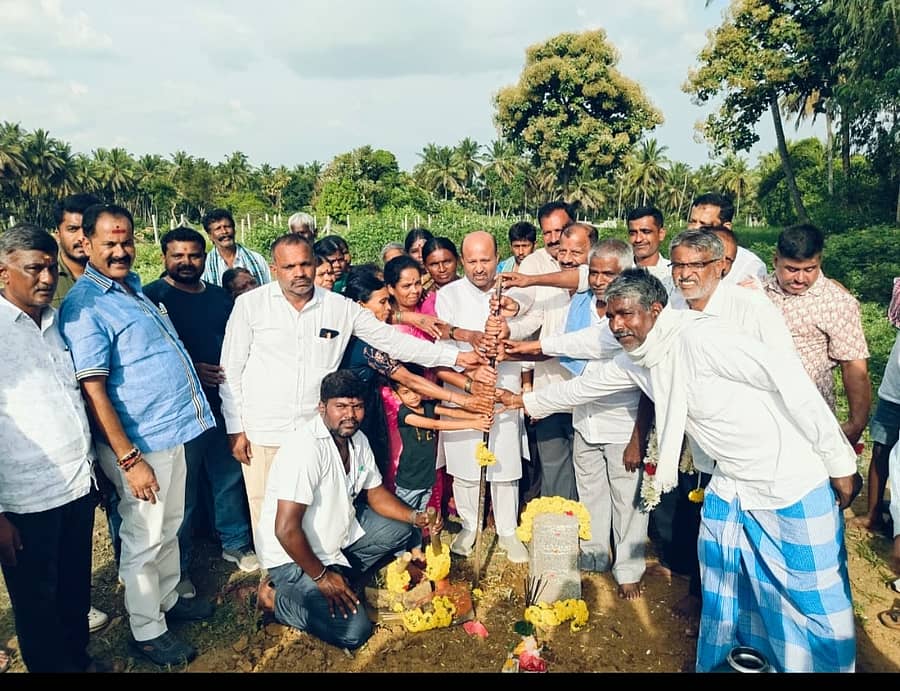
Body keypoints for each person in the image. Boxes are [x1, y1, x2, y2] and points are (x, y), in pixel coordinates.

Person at [501, 269, 861, 673]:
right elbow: (585, 387)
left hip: (786, 475)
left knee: (807, 594)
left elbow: (788, 378)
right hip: (732, 483)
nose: (617, 325)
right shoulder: (639, 359)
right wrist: (524, 403)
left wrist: (839, 460)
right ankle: (740, 665)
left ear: (656, 310)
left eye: (626, 315)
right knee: (731, 588)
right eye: (611, 317)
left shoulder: (702, 338)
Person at [219, 234, 483, 540]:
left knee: (319, 508)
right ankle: (276, 580)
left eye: (305, 264)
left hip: (317, 428)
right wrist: (235, 427)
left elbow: (394, 341)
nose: (299, 272)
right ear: (274, 268)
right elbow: (231, 369)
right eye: (289, 266)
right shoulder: (251, 305)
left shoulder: (339, 307)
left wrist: (457, 356)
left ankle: (320, 568)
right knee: (267, 509)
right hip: (264, 427)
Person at [59, 204, 216, 666]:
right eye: (109, 243)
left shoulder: (130, 289)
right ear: (86, 244)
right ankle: (147, 630)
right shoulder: (85, 306)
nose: (120, 250)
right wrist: (129, 459)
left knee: (169, 527)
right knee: (144, 537)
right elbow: (94, 388)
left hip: (171, 431)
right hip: (140, 442)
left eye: (126, 241)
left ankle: (168, 600)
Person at [502, 238, 648, 599]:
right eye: (594, 273)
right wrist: (522, 348)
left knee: (628, 500)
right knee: (591, 494)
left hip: (621, 426)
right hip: (585, 422)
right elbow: (574, 343)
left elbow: (586, 387)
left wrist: (523, 399)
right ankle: (596, 554)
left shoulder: (636, 316)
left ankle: (628, 567)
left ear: (627, 274)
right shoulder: (598, 313)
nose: (598, 280)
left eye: (607, 274)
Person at [254, 370, 440, 650]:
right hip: (293, 559)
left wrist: (416, 517)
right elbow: (285, 529)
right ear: (322, 407)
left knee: (402, 528)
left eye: (357, 406)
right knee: (355, 631)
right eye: (341, 406)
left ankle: (339, 574)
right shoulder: (305, 449)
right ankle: (277, 599)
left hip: (336, 540)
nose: (350, 415)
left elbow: (375, 493)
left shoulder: (357, 440)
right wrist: (322, 578)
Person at [0, 225, 102, 672]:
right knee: (37, 605)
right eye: (33, 269)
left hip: (77, 486)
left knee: (74, 592)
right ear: (3, 272)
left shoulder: (58, 323)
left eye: (50, 268)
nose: (46, 278)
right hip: (24, 500)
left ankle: (77, 661)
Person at [143, 227, 259, 600]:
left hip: (223, 401)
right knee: (184, 491)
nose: (186, 263)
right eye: (178, 255)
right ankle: (179, 566)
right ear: (164, 256)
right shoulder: (151, 298)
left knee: (227, 474)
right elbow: (149, 353)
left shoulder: (219, 298)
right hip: (181, 409)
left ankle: (235, 541)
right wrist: (195, 366)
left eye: (193, 255)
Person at [339, 267, 492, 489]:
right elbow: (408, 379)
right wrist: (464, 399)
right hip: (358, 412)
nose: (388, 309)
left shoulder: (370, 330)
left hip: (369, 408)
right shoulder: (363, 343)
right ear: (361, 306)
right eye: (382, 303)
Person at [435, 230, 530, 564]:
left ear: (497, 257)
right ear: (463, 261)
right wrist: (471, 375)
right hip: (462, 390)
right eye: (472, 261)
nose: (478, 268)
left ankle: (506, 529)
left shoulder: (513, 292)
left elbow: (527, 334)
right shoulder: (448, 295)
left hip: (504, 387)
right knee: (463, 463)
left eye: (485, 260)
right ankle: (470, 525)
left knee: (504, 463)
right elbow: (444, 347)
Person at [48, 192, 110, 633]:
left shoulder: (109, 279)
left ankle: (75, 602)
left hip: (92, 413)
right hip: (61, 408)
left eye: (85, 230)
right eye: (71, 229)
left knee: (95, 510)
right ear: (62, 233)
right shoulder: (54, 285)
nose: (80, 240)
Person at [763, 224, 871, 445]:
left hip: (810, 416)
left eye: (809, 269)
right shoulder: (754, 292)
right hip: (759, 410)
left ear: (819, 261)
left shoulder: (837, 302)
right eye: (792, 269)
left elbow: (854, 366)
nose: (800, 278)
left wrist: (856, 423)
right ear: (776, 261)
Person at [391, 380, 493, 516]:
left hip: (427, 476)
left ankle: (419, 537)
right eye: (406, 392)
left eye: (415, 390)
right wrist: (473, 423)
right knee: (405, 517)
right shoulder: (405, 414)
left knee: (421, 515)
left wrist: (478, 415)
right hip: (410, 479)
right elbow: (435, 425)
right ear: (396, 396)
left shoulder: (428, 406)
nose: (413, 395)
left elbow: (452, 412)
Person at [688, 192, 767, 285]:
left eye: (705, 225)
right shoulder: (682, 255)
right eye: (692, 222)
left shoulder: (749, 265)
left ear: (726, 227)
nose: (695, 229)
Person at [51, 193, 102, 309]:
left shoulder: (115, 274)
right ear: (58, 234)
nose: (81, 237)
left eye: (88, 229)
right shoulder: (46, 278)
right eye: (72, 229)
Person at [200, 208, 270, 288]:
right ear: (210, 236)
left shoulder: (257, 259)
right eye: (218, 228)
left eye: (227, 226)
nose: (224, 231)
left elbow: (267, 290)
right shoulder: (204, 265)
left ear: (234, 230)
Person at [626, 205, 672, 288]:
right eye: (633, 233)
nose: (638, 239)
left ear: (661, 234)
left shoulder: (672, 273)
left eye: (646, 232)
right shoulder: (620, 270)